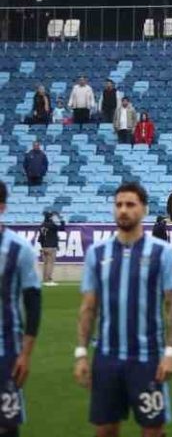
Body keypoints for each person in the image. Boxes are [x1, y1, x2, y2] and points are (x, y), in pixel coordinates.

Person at [75, 181, 172, 437]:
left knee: (152, 429)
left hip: (148, 357)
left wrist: (171, 352)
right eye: (119, 204)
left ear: (144, 209)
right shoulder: (96, 253)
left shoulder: (163, 253)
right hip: (107, 357)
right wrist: (81, 353)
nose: (123, 210)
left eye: (130, 204)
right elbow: (88, 307)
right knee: (105, 429)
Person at [0, 181, 40, 436]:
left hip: (7, 351)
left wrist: (25, 354)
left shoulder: (19, 249)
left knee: (7, 425)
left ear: (2, 207)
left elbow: (33, 303)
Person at [38, 210, 63, 286]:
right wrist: (60, 219)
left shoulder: (42, 225)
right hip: (51, 247)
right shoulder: (52, 225)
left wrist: (42, 246)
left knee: (45, 264)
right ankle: (49, 279)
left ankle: (45, 279)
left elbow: (40, 238)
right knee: (50, 264)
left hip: (44, 247)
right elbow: (62, 227)